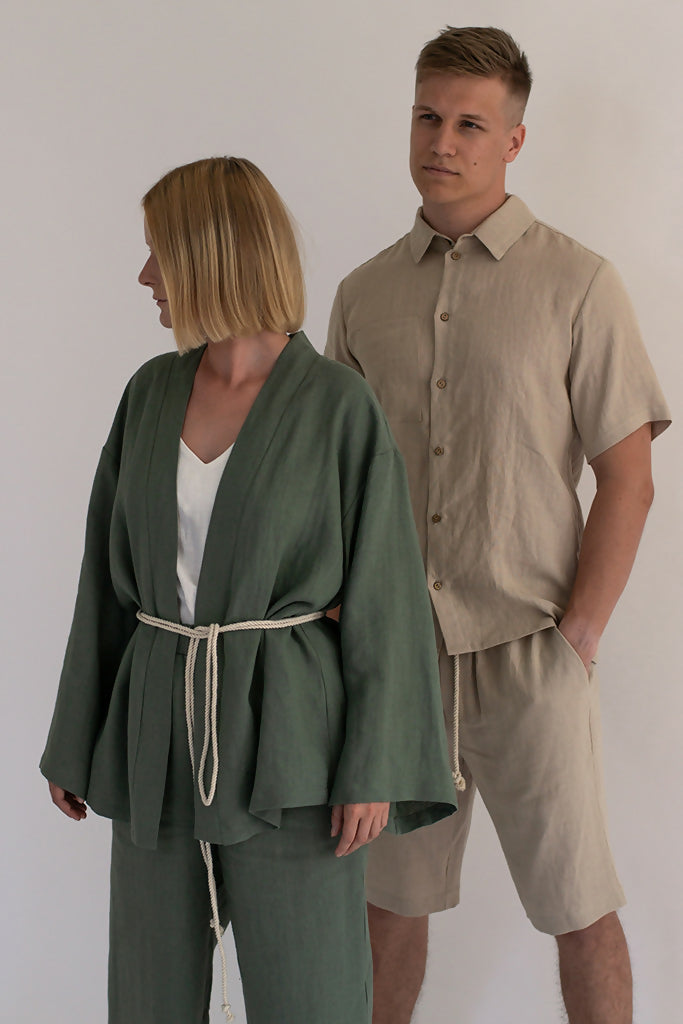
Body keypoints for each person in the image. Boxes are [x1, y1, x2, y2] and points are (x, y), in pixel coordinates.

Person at [40, 156, 457, 1024]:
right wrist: (78, 739)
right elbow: (103, 583)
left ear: (211, 255)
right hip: (156, 737)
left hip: (293, 749)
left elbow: (384, 598)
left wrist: (374, 767)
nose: (146, 276)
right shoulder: (150, 394)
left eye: (159, 253)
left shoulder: (337, 406)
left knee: (311, 997)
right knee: (148, 996)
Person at [325, 26, 671, 1024]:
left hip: (531, 653)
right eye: (427, 116)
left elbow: (628, 478)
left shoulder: (577, 283)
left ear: (513, 140)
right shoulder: (362, 295)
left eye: (470, 124)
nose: (442, 141)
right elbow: (337, 485)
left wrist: (578, 638)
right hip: (397, 664)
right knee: (385, 907)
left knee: (579, 911)